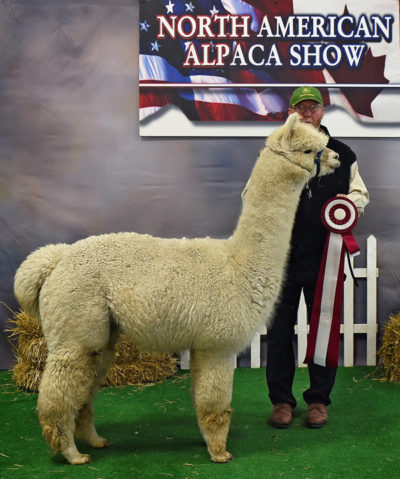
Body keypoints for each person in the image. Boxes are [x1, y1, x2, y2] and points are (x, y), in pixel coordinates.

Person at [266, 86, 369, 429]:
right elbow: (254, 195)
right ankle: (281, 400)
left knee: (323, 329)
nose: (307, 113)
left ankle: (318, 401)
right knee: (279, 331)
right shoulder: (275, 152)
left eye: (313, 107)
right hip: (282, 258)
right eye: (301, 107)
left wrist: (346, 209)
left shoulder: (342, 154)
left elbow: (359, 194)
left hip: (325, 256)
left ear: (323, 112)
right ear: (291, 113)